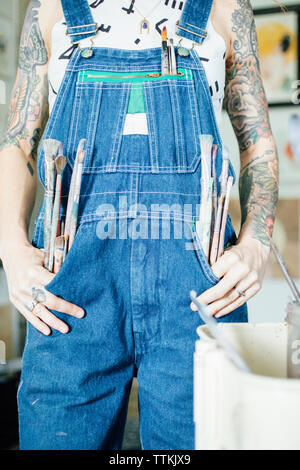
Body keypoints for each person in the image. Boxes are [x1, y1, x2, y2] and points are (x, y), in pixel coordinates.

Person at [0, 0, 279, 450]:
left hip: (198, 297)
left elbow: (259, 146)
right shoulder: (51, 9)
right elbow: (17, 144)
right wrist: (10, 248)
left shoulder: (227, 10)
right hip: (71, 299)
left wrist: (255, 242)